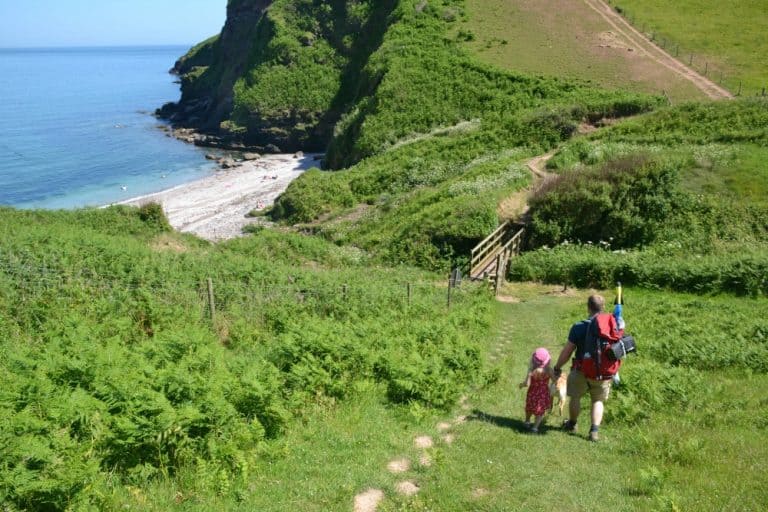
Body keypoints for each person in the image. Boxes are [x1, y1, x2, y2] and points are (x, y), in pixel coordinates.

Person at [553, 294, 612, 442]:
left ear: (588, 307)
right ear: (603, 307)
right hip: (602, 373)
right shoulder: (611, 326)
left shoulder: (579, 327)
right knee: (597, 400)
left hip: (581, 369)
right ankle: (594, 431)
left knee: (575, 397)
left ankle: (572, 424)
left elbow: (567, 351)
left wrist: (557, 366)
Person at [519, 347, 554, 433]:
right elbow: (555, 380)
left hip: (532, 393)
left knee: (529, 408)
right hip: (543, 394)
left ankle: (527, 421)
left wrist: (521, 385)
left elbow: (527, 384)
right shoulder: (549, 370)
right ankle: (535, 427)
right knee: (540, 411)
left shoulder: (532, 370)